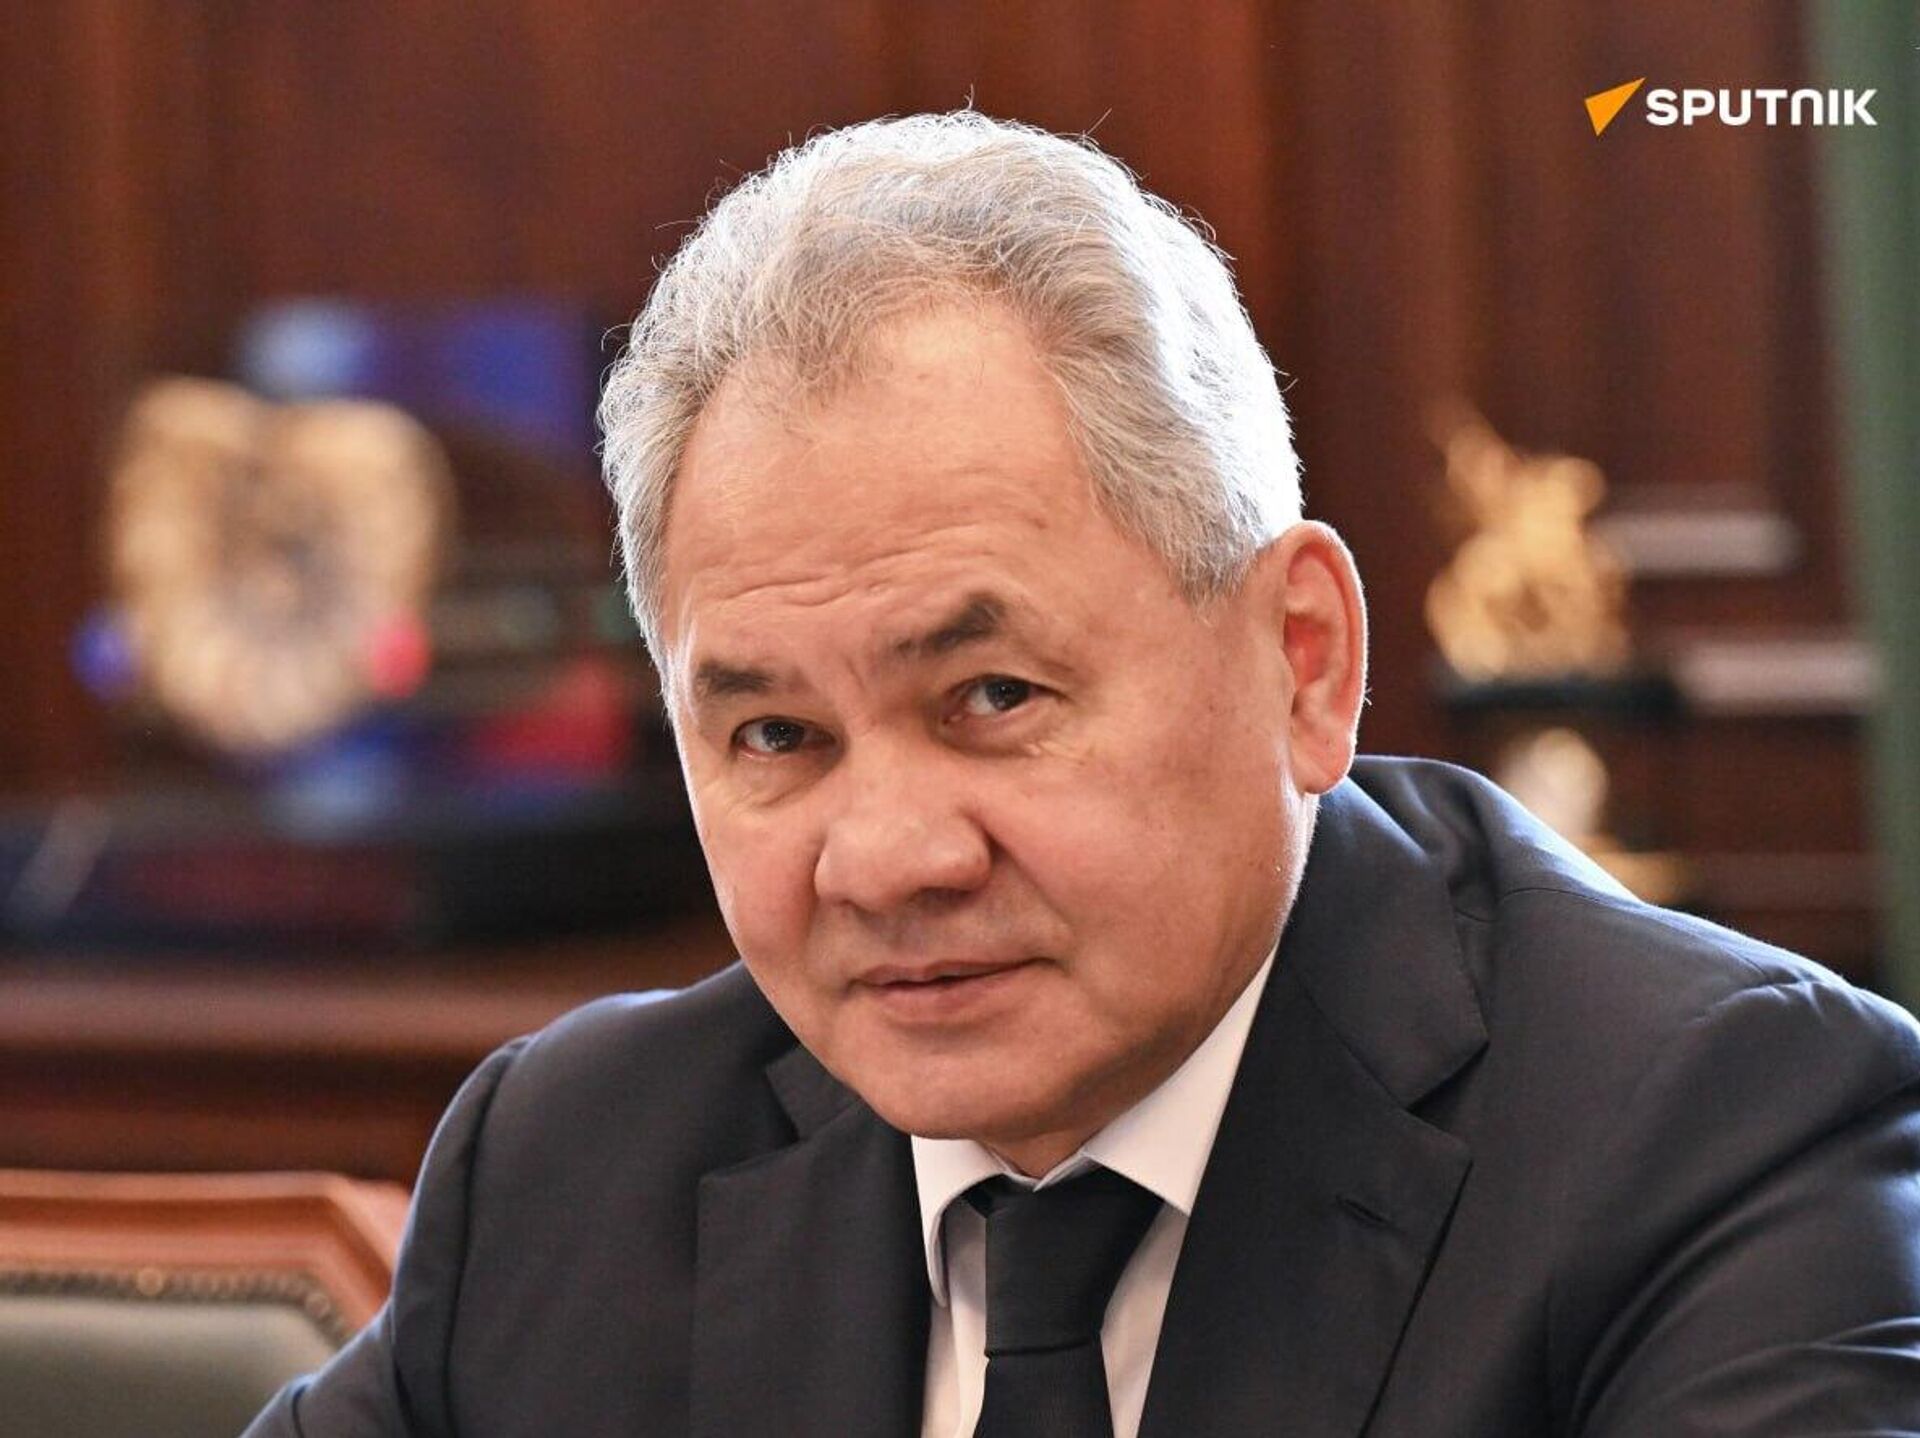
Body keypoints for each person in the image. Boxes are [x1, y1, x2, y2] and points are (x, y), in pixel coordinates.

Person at [246, 112, 1920, 1438]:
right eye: (775, 736)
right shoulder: (567, 1168)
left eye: (992, 695)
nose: (886, 857)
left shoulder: (1717, 1144)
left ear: (1302, 661)